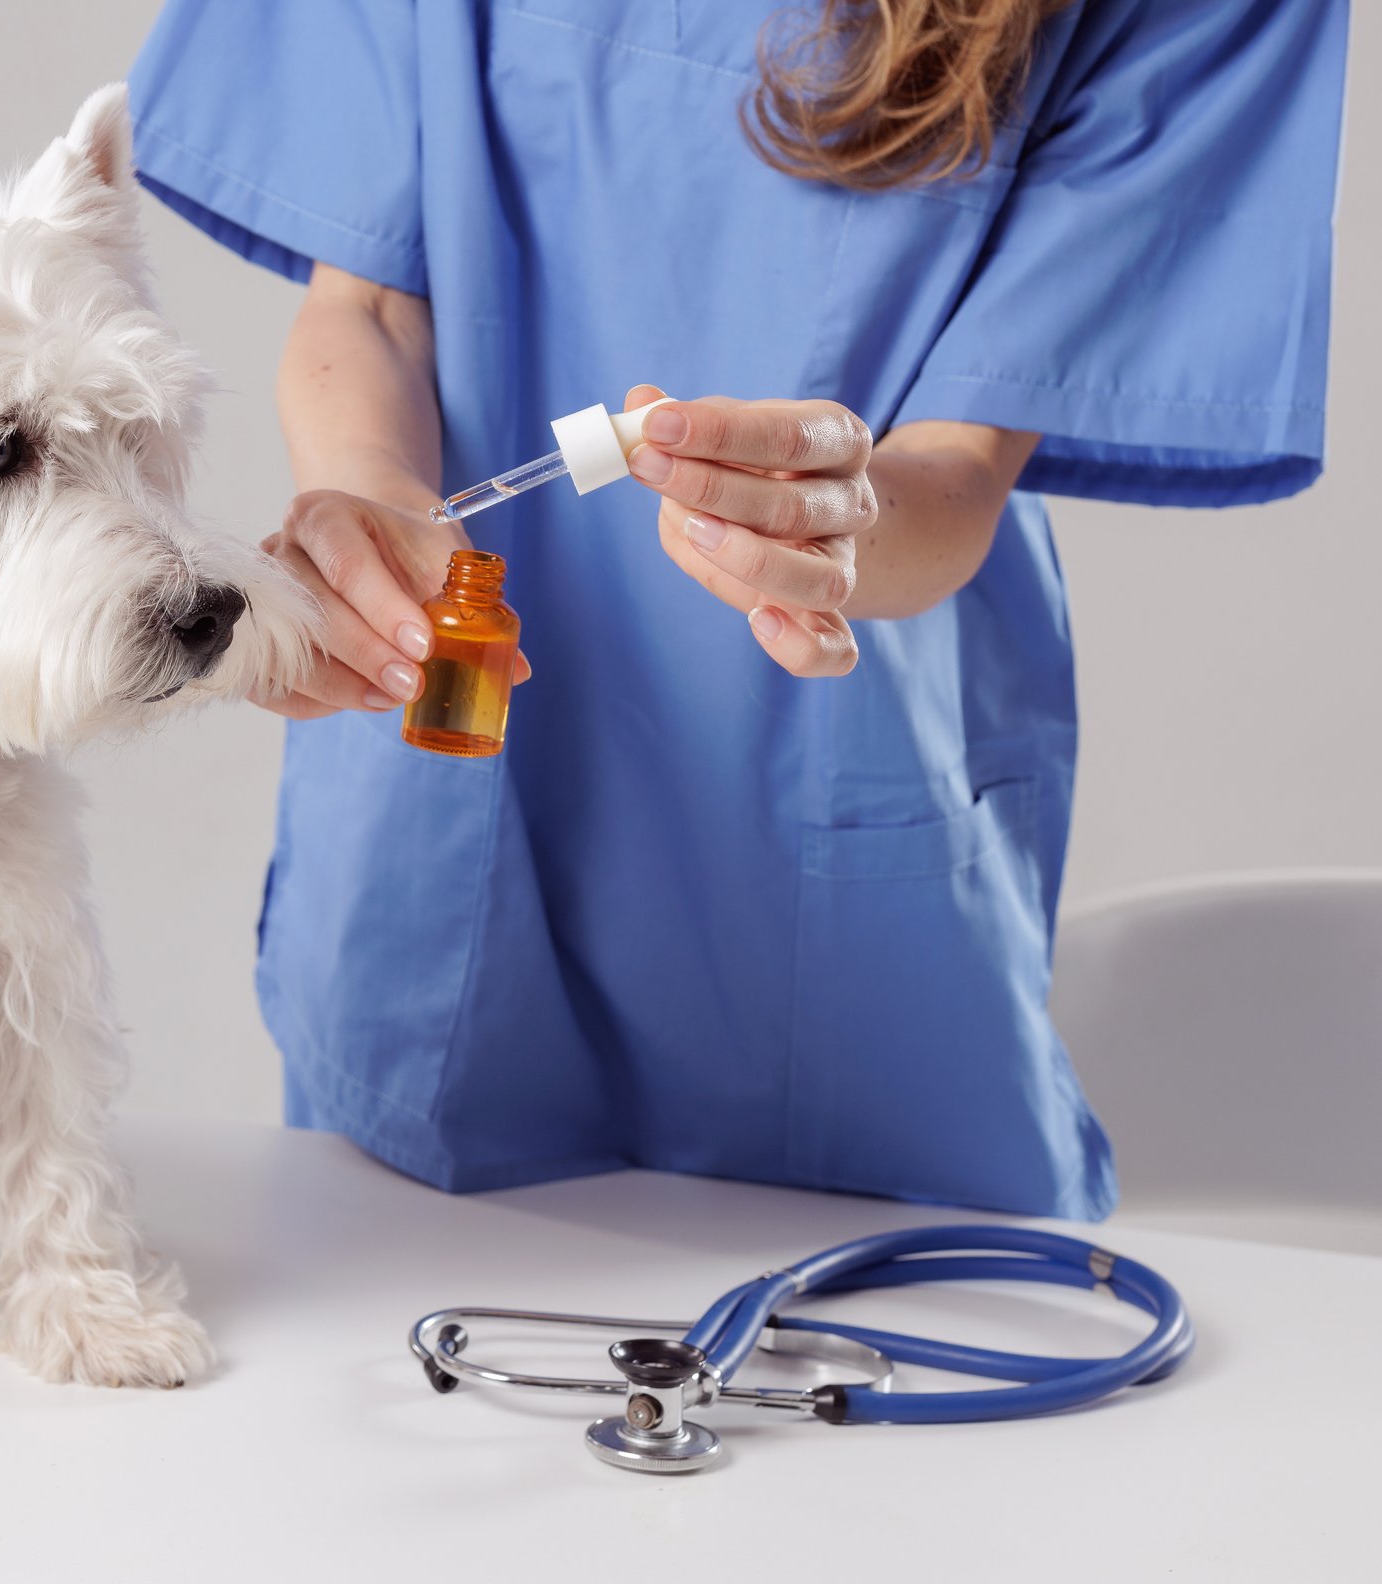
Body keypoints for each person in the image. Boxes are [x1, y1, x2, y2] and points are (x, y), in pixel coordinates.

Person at [126, 0, 1349, 1216]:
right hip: (442, 832)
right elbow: (371, 306)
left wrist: (842, 517)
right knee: (410, 1326)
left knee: (895, 1337)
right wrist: (372, 498)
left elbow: (962, 465)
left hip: (849, 827)